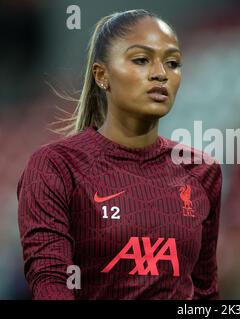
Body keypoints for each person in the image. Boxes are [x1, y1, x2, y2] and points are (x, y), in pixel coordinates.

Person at [17, 9, 222, 300]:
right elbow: (50, 281)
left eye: (173, 63)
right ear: (102, 76)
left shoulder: (201, 171)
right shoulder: (57, 166)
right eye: (141, 60)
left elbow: (205, 292)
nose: (160, 74)